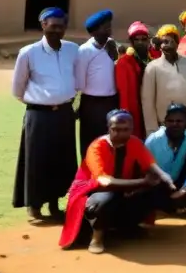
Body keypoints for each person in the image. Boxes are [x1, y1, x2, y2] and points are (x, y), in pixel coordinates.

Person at [59, 109, 174, 254]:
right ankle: (97, 237)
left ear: (132, 129)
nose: (120, 134)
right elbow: (104, 181)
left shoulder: (135, 142)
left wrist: (164, 177)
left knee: (158, 187)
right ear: (108, 128)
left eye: (126, 130)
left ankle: (127, 227)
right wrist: (142, 182)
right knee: (105, 198)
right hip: (94, 192)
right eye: (115, 129)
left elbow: (150, 163)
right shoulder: (97, 147)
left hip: (123, 187)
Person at [12, 7, 80, 224]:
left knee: (62, 160)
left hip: (64, 115)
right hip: (39, 116)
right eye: (52, 26)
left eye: (61, 27)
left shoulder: (72, 50)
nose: (57, 31)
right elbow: (17, 89)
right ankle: (34, 206)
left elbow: (77, 79)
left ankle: (55, 204)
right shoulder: (28, 53)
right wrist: (42, 103)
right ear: (43, 25)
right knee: (37, 160)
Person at [145, 103, 186, 215]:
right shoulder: (153, 140)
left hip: (179, 182)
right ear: (165, 121)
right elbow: (143, 165)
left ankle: (181, 197)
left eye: (179, 121)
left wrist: (185, 188)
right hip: (157, 182)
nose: (175, 124)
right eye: (171, 121)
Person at [76, 9, 121, 158]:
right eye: (105, 27)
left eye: (109, 26)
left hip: (111, 102)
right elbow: (79, 81)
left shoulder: (112, 45)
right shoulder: (84, 50)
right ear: (94, 32)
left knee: (111, 141)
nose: (109, 29)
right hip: (92, 104)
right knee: (91, 143)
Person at [141, 25, 186, 135]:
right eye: (164, 41)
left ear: (177, 42)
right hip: (164, 121)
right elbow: (147, 100)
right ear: (159, 46)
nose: (167, 45)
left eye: (171, 41)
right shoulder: (152, 67)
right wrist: (152, 130)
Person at [117, 22, 149, 139]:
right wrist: (126, 117)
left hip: (149, 110)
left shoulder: (151, 60)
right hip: (133, 112)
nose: (140, 42)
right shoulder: (124, 62)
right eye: (136, 39)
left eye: (143, 39)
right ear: (131, 42)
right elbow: (124, 93)